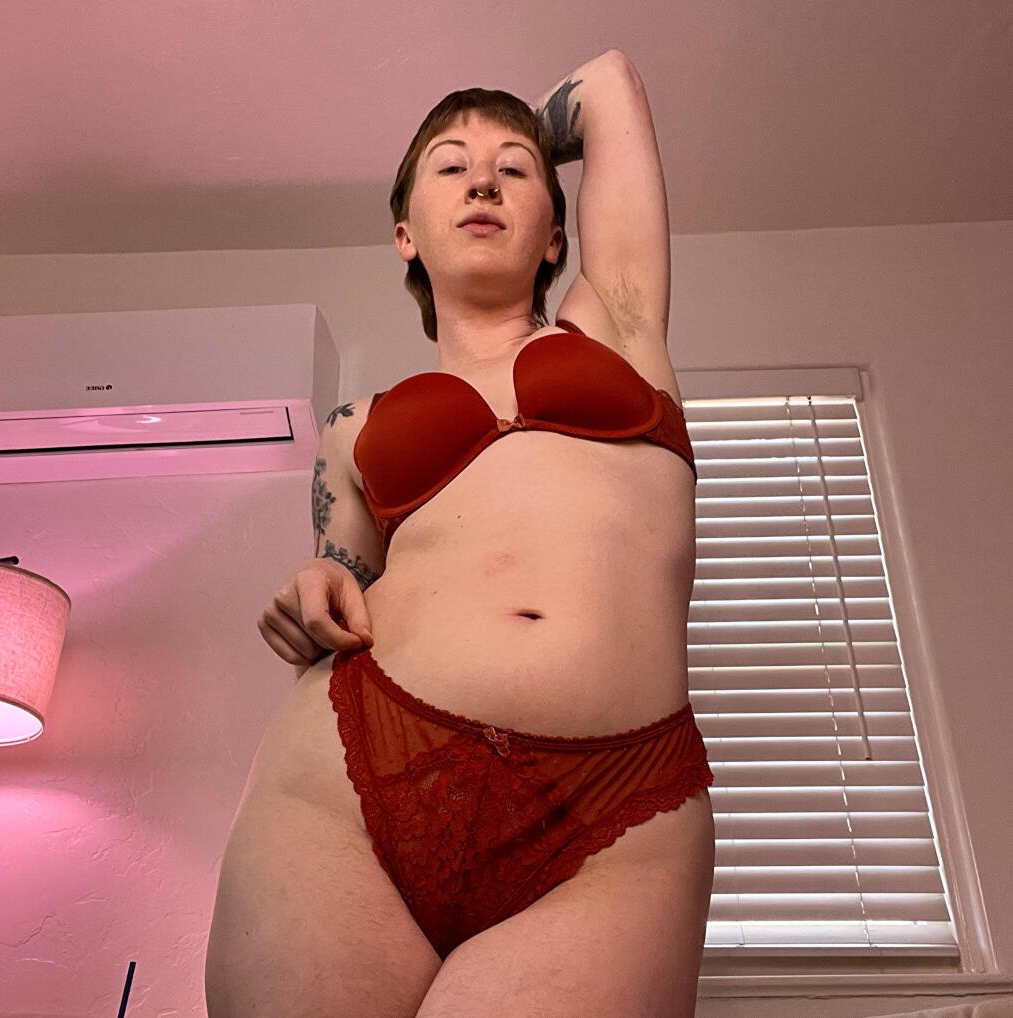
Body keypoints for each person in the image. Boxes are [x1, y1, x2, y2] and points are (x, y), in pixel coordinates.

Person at [205, 48, 714, 1018]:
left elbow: (608, 84)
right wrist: (315, 588)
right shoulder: (352, 428)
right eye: (449, 167)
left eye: (513, 168)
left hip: (618, 810)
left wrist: (498, 131)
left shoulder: (619, 325)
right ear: (405, 233)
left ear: (557, 235)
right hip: (352, 777)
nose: (481, 180)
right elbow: (343, 586)